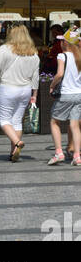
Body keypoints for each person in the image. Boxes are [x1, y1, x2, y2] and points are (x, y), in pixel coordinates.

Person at [0, 24, 39, 162]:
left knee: (4, 120)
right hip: (26, 89)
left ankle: (17, 143)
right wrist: (34, 94)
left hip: (8, 87)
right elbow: (36, 77)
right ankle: (13, 151)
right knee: (17, 121)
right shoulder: (33, 53)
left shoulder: (4, 49)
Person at [47, 27, 81, 166]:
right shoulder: (79, 57)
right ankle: (77, 155)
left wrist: (52, 85)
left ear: (65, 43)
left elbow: (59, 74)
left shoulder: (62, 56)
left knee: (54, 122)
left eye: (62, 41)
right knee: (74, 125)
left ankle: (59, 152)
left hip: (66, 94)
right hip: (78, 95)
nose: (60, 43)